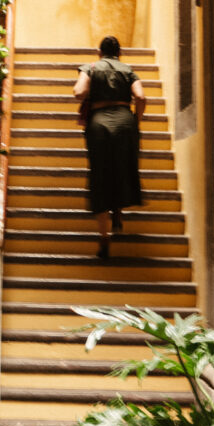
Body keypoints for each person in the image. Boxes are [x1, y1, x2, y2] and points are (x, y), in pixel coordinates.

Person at [73, 35, 145, 260]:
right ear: (119, 53)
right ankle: (118, 212)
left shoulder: (91, 67)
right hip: (125, 121)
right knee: (123, 168)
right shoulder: (128, 69)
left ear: (99, 52)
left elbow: (79, 92)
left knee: (101, 174)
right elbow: (141, 97)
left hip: (99, 124)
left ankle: (104, 237)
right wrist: (136, 120)